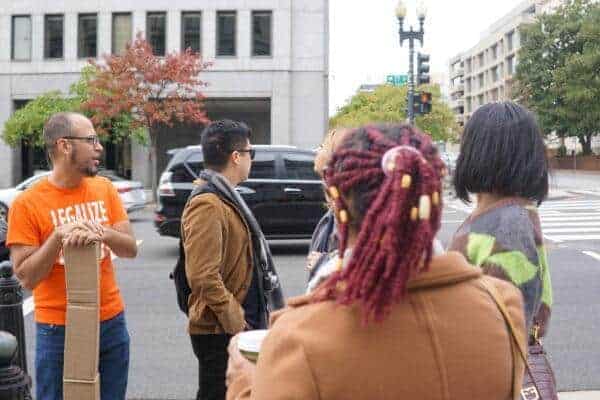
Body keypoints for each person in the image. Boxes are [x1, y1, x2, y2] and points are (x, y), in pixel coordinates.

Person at [226, 124, 526, 400]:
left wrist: (244, 382)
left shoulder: (299, 338)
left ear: (339, 205)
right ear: (432, 200)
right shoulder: (503, 305)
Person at [6, 112, 138, 400]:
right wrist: (57, 238)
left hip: (111, 320)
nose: (99, 147)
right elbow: (26, 277)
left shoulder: (104, 189)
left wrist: (102, 232)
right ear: (65, 146)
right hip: (58, 328)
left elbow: (130, 249)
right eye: (91, 140)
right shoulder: (27, 204)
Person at [182, 120, 281, 400]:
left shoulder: (226, 196)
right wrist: (235, 318)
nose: (252, 159)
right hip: (219, 330)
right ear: (236, 156)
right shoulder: (208, 203)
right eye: (251, 152)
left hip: (234, 325)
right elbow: (202, 276)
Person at [449, 102, 553, 338]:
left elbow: (502, 327)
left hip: (485, 358)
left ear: (477, 154)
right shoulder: (503, 214)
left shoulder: (509, 226)